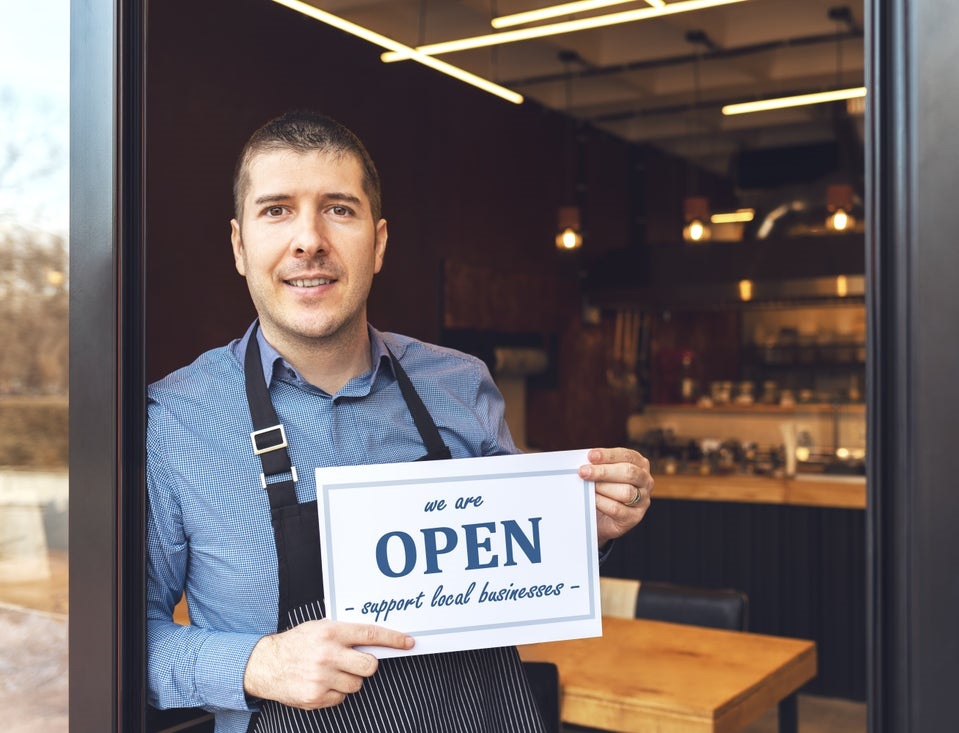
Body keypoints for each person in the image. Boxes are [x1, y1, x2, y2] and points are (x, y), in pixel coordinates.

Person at [146, 110, 654, 733]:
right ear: (239, 245)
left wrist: (589, 525)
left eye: (339, 208)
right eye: (276, 210)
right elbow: (126, 642)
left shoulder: (461, 385)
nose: (309, 240)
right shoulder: (175, 420)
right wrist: (258, 662)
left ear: (379, 242)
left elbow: (524, 572)